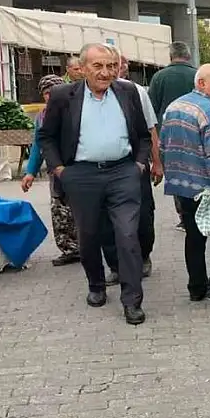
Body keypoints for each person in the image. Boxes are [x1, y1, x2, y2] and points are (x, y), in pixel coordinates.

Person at [38, 43, 152, 325]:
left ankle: (132, 301)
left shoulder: (128, 92)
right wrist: (61, 170)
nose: (105, 72)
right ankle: (96, 286)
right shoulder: (64, 96)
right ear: (83, 68)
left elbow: (143, 134)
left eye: (111, 66)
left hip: (123, 173)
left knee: (127, 235)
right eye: (98, 66)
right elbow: (47, 137)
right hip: (82, 176)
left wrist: (139, 163)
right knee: (88, 235)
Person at [160, 64, 210, 302]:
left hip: (181, 185)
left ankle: (196, 288)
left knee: (193, 236)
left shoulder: (174, 106)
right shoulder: (209, 110)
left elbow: (163, 144)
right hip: (207, 187)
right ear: (202, 83)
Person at [22, 74, 80, 266]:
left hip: (78, 168)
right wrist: (30, 172)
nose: (49, 96)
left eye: (53, 92)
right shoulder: (42, 117)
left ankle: (89, 246)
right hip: (56, 172)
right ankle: (70, 249)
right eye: (46, 93)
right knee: (60, 210)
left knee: (82, 209)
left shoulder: (77, 110)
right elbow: (38, 146)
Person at [114, 53, 162, 279]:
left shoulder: (136, 92)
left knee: (143, 213)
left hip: (135, 165)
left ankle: (144, 255)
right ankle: (116, 266)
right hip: (101, 169)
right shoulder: (80, 94)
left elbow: (150, 129)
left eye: (114, 65)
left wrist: (157, 162)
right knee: (106, 219)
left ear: (122, 68)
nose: (108, 70)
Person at [148, 41, 197, 230]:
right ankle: (198, 209)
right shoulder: (197, 75)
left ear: (170, 56)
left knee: (176, 175)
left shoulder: (159, 77)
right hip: (195, 133)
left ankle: (184, 215)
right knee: (196, 172)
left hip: (168, 136)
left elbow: (151, 110)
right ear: (188, 56)